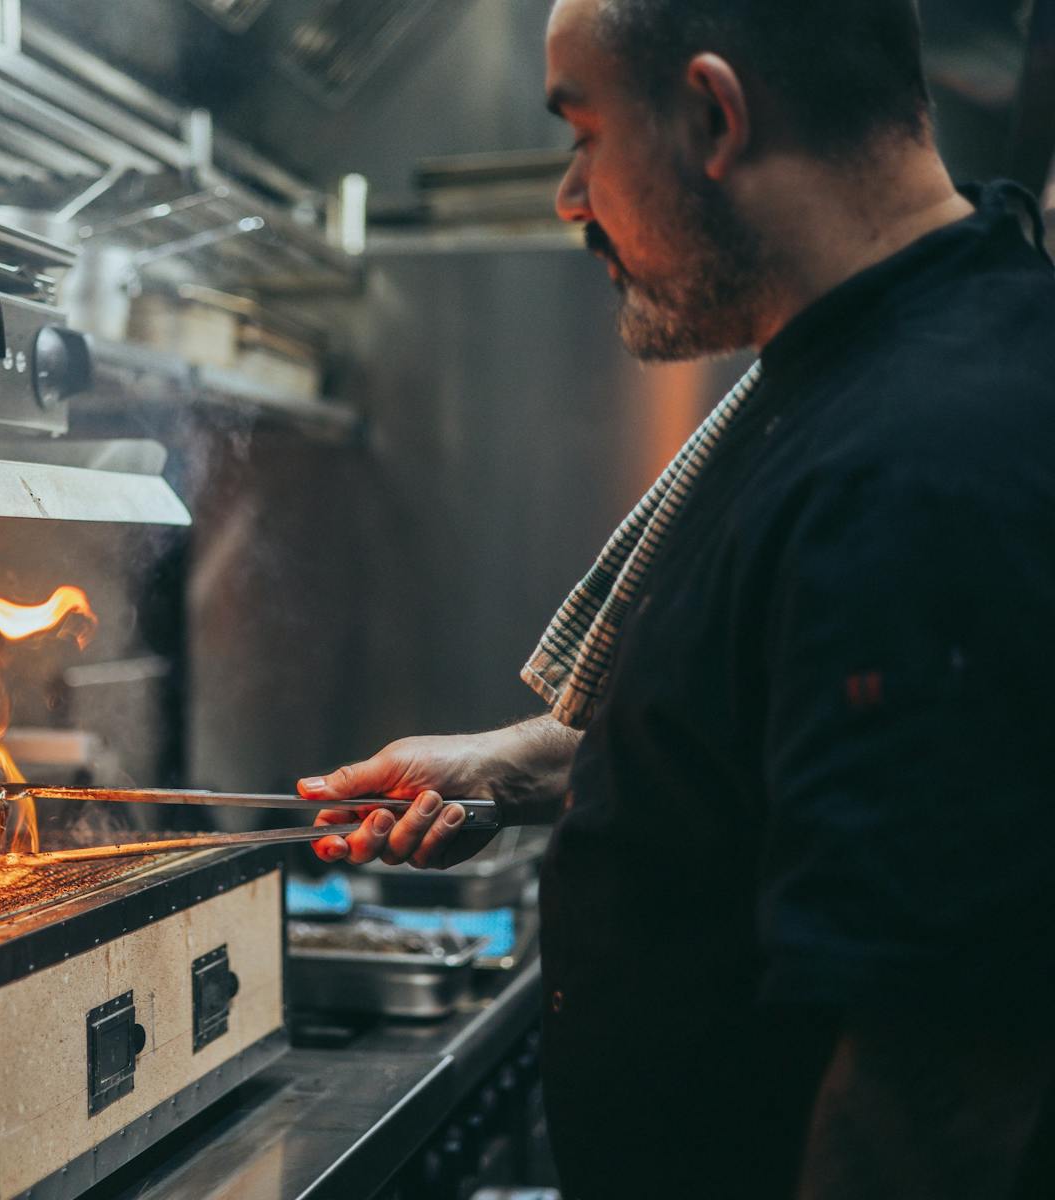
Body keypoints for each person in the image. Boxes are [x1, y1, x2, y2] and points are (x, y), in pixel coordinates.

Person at [301, 0, 1055, 1196]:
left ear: (712, 114)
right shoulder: (841, 376)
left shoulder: (923, 461)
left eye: (582, 134)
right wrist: (511, 766)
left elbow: (939, 1070)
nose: (568, 197)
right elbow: (765, 735)